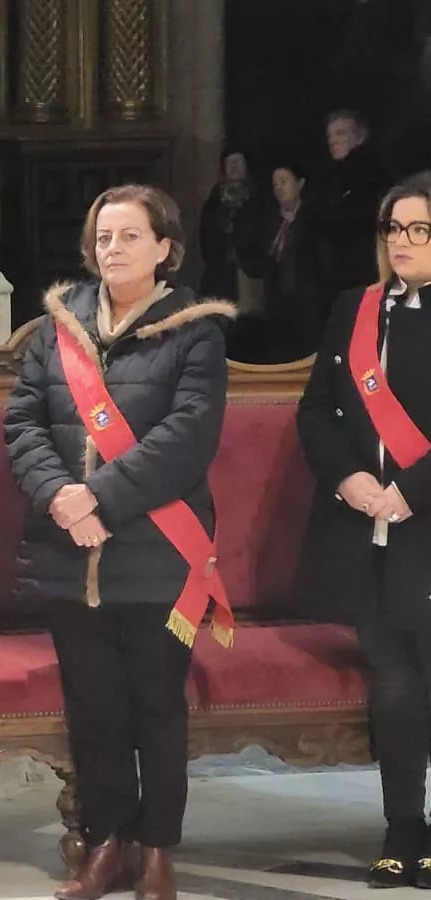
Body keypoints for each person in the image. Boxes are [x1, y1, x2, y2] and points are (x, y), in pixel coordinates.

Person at [3, 185, 236, 900]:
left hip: (157, 553)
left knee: (157, 707)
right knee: (96, 709)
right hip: (67, 552)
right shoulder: (56, 330)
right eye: (104, 237)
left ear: (165, 248)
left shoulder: (195, 332)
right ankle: (105, 844)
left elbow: (187, 438)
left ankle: (156, 849)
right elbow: (23, 425)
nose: (113, 250)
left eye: (130, 237)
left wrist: (98, 498)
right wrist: (61, 498)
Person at [294, 171, 431, 888]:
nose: (402, 242)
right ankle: (402, 824)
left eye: (419, 230)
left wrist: (410, 491)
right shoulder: (357, 309)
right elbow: (316, 411)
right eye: (394, 230)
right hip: (370, 531)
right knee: (396, 684)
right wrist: (351, 481)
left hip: (425, 525)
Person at [228, 164, 324, 363]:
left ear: (300, 184)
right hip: (277, 308)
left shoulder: (314, 221)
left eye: (284, 181)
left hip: (308, 308)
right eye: (275, 184)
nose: (279, 188)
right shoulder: (270, 223)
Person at [309, 110, 395, 308]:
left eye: (340, 133)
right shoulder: (329, 177)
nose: (333, 140)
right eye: (329, 135)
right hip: (335, 276)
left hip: (365, 272)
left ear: (358, 137)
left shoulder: (374, 172)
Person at [197, 149, 262, 304]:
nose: (233, 166)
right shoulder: (214, 201)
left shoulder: (258, 199)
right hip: (218, 277)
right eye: (229, 162)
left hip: (249, 277)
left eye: (238, 161)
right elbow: (205, 236)